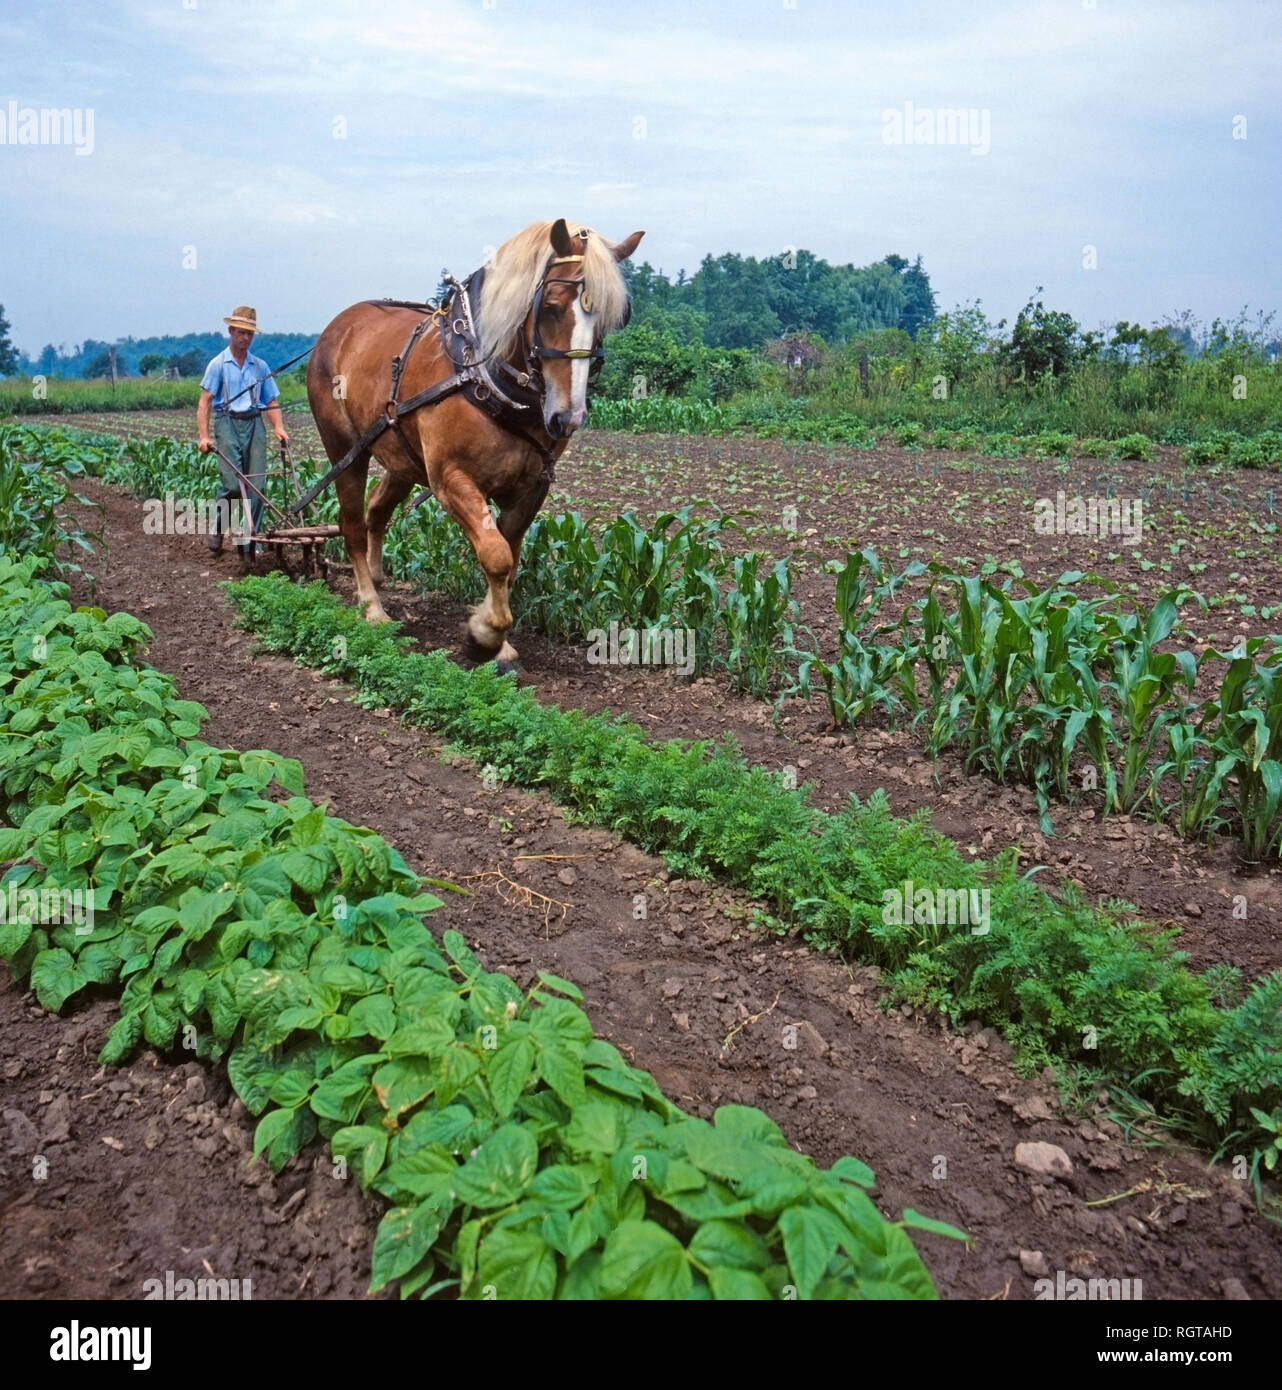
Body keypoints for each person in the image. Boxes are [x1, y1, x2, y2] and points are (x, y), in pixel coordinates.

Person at [196, 305, 288, 553]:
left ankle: (250, 541)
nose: (245, 338)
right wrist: (204, 437)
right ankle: (219, 526)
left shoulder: (260, 366)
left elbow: (271, 401)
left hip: (255, 423)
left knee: (257, 485)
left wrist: (279, 428)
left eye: (249, 334)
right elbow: (204, 402)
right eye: (241, 332)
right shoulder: (218, 364)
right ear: (231, 331)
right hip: (227, 423)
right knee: (234, 485)